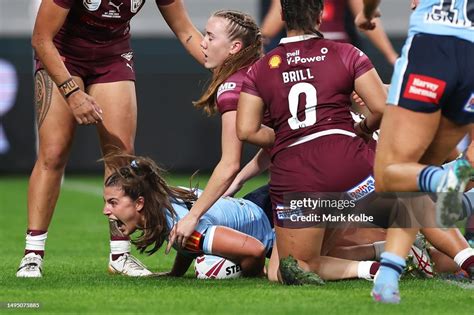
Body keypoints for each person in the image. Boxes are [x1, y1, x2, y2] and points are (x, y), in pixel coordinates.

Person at [16, 0, 204, 278]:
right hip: (63, 55)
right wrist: (72, 92)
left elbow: (186, 30)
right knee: (53, 153)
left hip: (112, 57)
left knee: (121, 156)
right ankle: (33, 254)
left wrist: (224, 66)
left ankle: (120, 255)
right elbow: (41, 38)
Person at [236, 0, 388, 284]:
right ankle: (391, 252)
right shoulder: (347, 52)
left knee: (288, 270)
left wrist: (286, 137)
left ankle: (374, 266)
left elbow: (246, 130)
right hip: (353, 171)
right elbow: (381, 108)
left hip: (299, 176)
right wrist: (362, 128)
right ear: (320, 15)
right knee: (288, 264)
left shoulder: (260, 68)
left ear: (282, 16)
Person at [356, 0, 474, 303]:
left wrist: (367, 13)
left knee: (388, 175)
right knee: (414, 176)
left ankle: (442, 182)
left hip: (432, 46)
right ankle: (388, 276)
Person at [166, 10, 264, 252]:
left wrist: (194, 215)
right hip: (348, 158)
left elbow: (229, 163)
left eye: (210, 36)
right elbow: (283, 141)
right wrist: (240, 180)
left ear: (234, 48)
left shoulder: (233, 87)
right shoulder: (260, 70)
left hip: (319, 176)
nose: (202, 42)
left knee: (285, 267)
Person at [102, 154, 274, 277]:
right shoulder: (161, 205)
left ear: (139, 203)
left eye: (113, 202)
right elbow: (188, 244)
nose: (105, 210)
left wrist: (253, 276)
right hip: (259, 206)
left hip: (273, 219)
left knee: (287, 273)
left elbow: (255, 250)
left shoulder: (181, 225)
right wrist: (175, 274)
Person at [260, 0, 398, 65]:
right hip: (336, 52)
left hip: (301, 51)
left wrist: (390, 55)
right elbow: (366, 16)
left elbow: (276, 16)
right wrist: (391, 55)